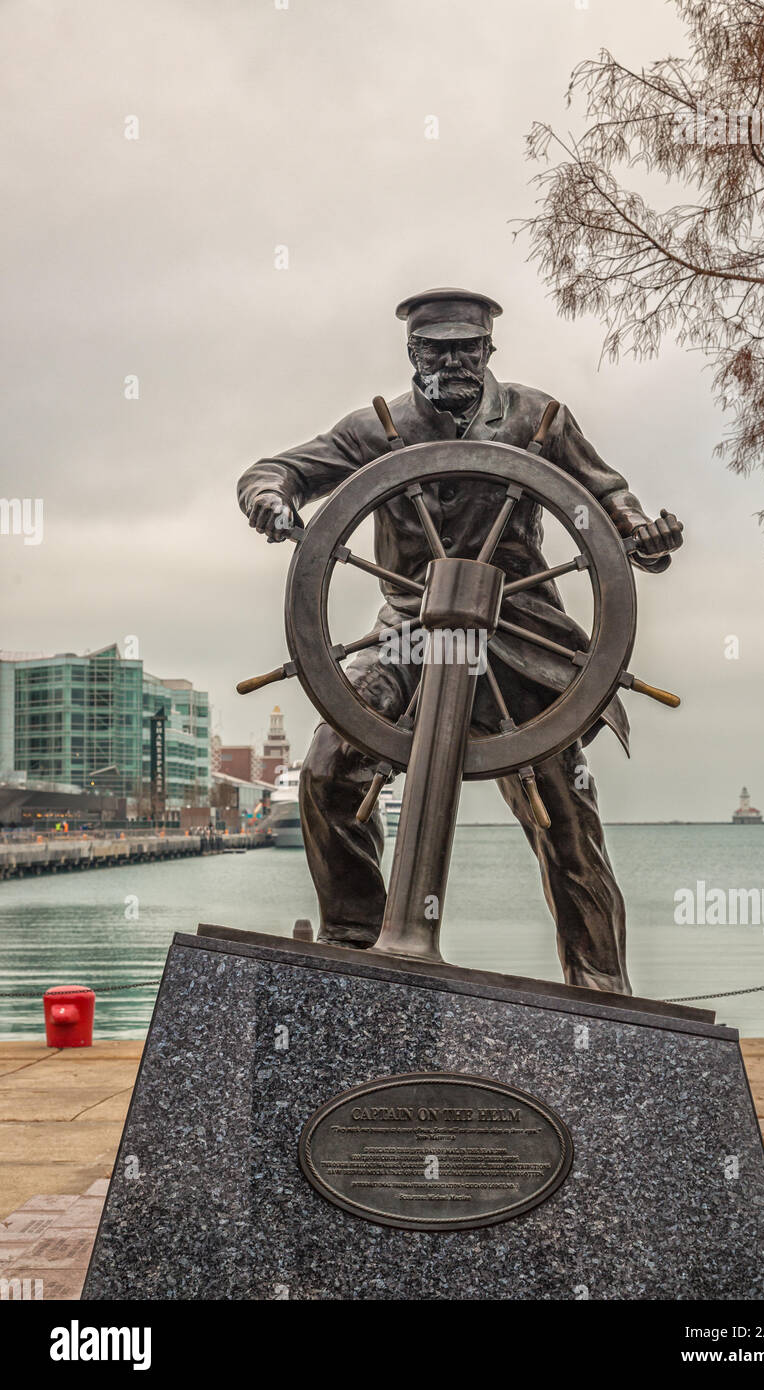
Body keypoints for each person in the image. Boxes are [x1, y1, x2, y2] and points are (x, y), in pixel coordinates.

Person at [237, 288, 683, 993]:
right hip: (410, 638)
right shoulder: (375, 430)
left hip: (522, 642)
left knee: (566, 818)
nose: (453, 361)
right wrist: (269, 497)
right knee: (328, 769)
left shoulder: (539, 419)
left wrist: (644, 536)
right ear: (411, 353)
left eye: (466, 349)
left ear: (489, 351)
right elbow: (276, 471)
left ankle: (603, 995)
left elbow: (609, 502)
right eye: (436, 349)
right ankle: (357, 942)